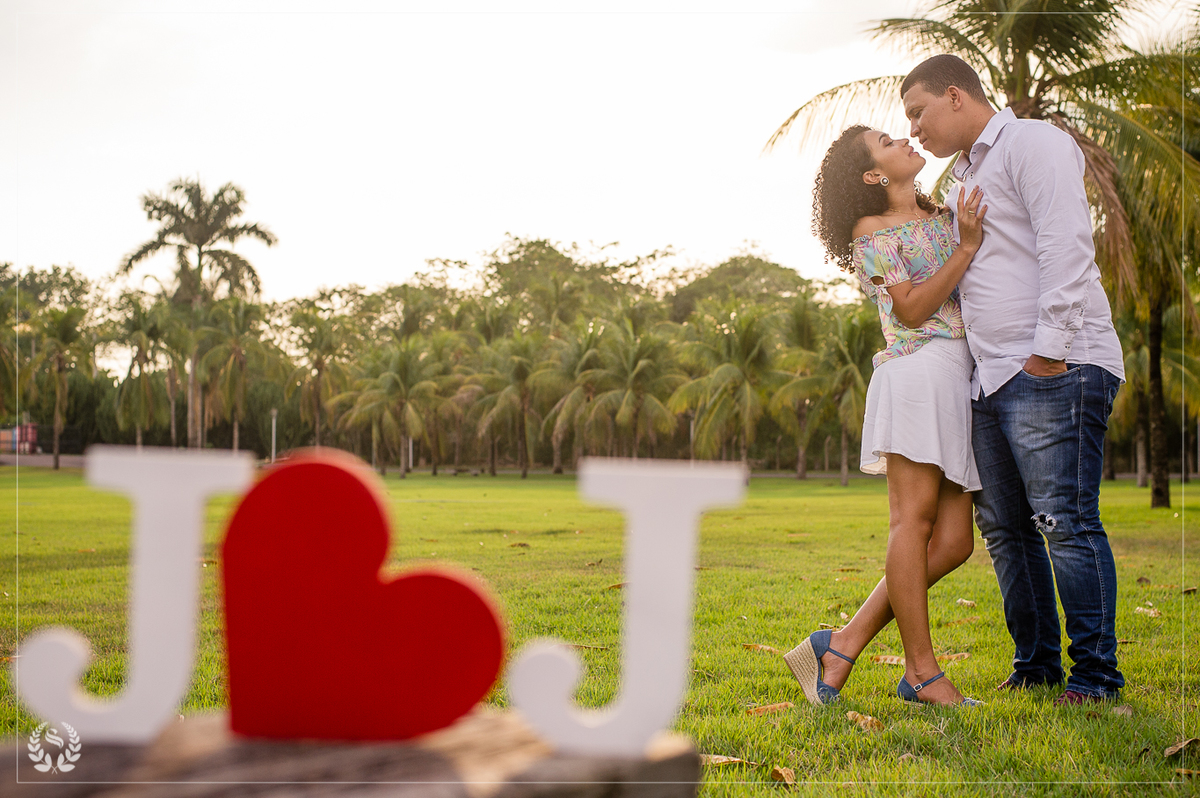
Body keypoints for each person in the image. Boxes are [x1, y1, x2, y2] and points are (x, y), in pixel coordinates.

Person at [900, 54, 1126, 705]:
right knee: (1007, 530)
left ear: (955, 95)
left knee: (1065, 522)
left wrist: (1048, 351)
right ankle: (1036, 666)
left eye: (917, 111)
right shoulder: (963, 175)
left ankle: (1095, 679)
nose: (914, 128)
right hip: (990, 381)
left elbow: (1066, 244)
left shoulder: (1033, 142)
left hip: (1056, 365)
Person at [784, 123, 987, 707]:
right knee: (913, 523)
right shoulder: (870, 231)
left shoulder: (945, 208)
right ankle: (922, 673)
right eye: (887, 142)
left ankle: (841, 642)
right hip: (917, 370)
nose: (905, 139)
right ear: (875, 175)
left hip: (959, 375)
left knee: (953, 544)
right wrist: (967, 248)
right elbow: (915, 309)